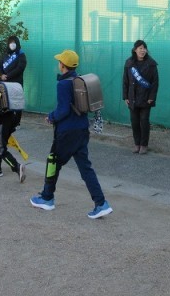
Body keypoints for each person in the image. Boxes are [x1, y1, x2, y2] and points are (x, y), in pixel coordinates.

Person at [30, 50, 113, 219]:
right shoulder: (79, 80)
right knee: (85, 168)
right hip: (82, 130)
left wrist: (51, 117)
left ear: (63, 65)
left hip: (67, 132)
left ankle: (47, 198)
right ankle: (101, 203)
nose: (58, 64)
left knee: (53, 162)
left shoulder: (63, 84)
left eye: (59, 61)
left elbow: (63, 110)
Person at [122, 40, 159, 154]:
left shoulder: (151, 64)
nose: (143, 51)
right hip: (132, 98)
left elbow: (155, 82)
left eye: (144, 48)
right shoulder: (129, 63)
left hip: (146, 98)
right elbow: (125, 81)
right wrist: (125, 96)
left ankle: (144, 145)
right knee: (134, 122)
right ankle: (136, 144)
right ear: (135, 50)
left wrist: (151, 97)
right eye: (140, 48)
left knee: (144, 122)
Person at [0, 35, 27, 128]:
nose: (12, 44)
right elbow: (0, 66)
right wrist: (1, 75)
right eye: (10, 42)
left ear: (17, 43)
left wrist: (8, 76)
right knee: (7, 102)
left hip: (16, 83)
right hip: (6, 83)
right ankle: (7, 121)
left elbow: (20, 68)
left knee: (17, 103)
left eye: (14, 42)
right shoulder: (5, 55)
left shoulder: (21, 54)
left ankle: (16, 123)